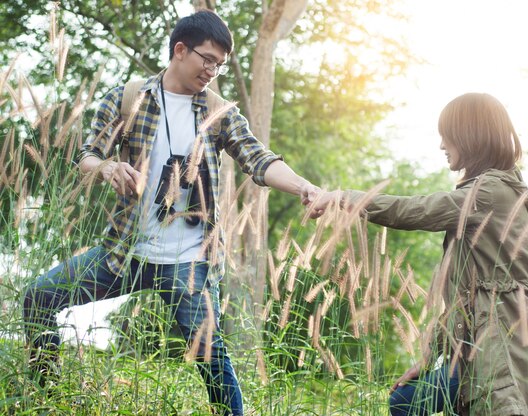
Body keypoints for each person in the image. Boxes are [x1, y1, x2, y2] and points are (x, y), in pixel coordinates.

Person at [23, 10, 321, 416]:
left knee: (213, 360)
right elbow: (86, 156)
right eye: (208, 59)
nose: (213, 70)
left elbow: (260, 160)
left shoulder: (219, 111)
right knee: (39, 296)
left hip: (187, 260)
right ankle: (45, 400)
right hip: (123, 251)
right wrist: (108, 166)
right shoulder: (127, 98)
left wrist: (304, 186)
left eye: (220, 63)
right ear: (180, 50)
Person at [314, 93, 528, 415]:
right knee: (406, 400)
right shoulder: (488, 193)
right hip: (498, 342)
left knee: (410, 403)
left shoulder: (489, 192)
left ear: (470, 136)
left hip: (524, 348)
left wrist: (343, 198)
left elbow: (415, 210)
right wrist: (429, 359)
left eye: (447, 136)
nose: (442, 145)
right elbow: (470, 303)